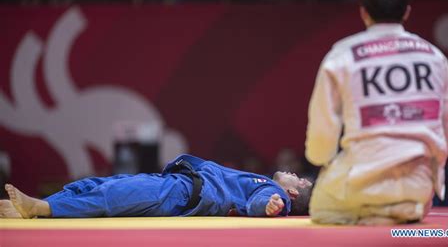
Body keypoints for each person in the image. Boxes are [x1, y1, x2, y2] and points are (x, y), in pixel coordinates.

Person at [305, 0, 448, 225]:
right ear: (407, 11)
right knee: (409, 201)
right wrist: (433, 167)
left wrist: (322, 161)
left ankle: (372, 218)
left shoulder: (343, 55)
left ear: (364, 11)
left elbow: (322, 134)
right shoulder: (433, 56)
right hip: (418, 186)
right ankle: (399, 213)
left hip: (361, 181)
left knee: (321, 209)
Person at [1, 154, 312, 219]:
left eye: (298, 179)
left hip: (180, 194)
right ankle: (29, 209)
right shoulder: (261, 182)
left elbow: (265, 204)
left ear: (292, 193)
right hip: (175, 183)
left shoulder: (270, 191)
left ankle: (43, 207)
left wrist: (271, 206)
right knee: (94, 184)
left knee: (112, 196)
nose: (293, 173)